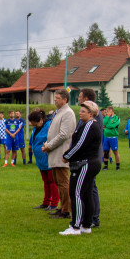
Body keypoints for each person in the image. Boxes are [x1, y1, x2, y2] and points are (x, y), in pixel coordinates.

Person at [59, 100, 103, 235]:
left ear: (91, 114)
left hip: (86, 163)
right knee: (86, 194)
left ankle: (76, 226)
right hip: (91, 162)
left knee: (76, 193)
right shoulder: (89, 125)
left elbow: (79, 144)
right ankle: (86, 225)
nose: (80, 113)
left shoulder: (90, 125)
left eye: (83, 111)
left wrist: (67, 155)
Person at [41, 89, 77, 222]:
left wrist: (49, 145)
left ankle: (66, 209)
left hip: (61, 152)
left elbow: (64, 134)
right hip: (55, 152)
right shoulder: (59, 112)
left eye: (57, 98)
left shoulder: (68, 113)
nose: (54, 99)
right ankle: (62, 207)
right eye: (54, 97)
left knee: (63, 182)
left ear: (65, 100)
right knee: (58, 181)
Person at [29, 109, 58, 211]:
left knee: (52, 181)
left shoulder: (49, 126)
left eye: (35, 124)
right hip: (40, 160)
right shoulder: (36, 127)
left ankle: (54, 203)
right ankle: (46, 202)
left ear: (41, 120)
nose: (34, 126)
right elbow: (34, 138)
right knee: (46, 181)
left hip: (48, 157)